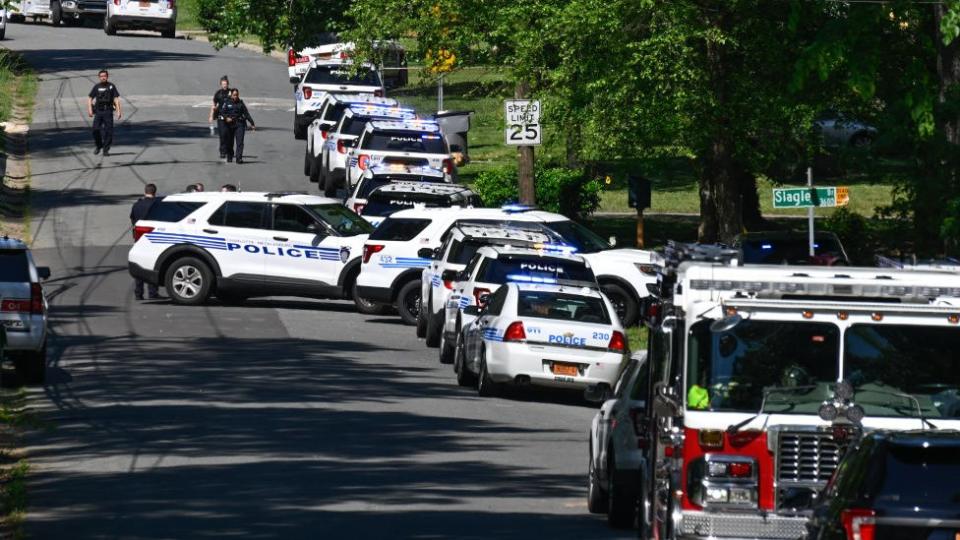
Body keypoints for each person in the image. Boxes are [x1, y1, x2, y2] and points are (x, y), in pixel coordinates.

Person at [130, 184, 160, 300]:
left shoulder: (137, 204)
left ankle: (138, 293)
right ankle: (152, 292)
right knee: (151, 265)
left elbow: (132, 219)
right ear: (155, 192)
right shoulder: (157, 204)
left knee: (139, 264)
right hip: (153, 238)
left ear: (145, 191)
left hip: (138, 238)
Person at [88, 69, 121, 156]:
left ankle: (106, 149)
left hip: (108, 111)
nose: (103, 78)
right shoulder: (97, 87)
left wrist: (118, 111)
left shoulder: (111, 86)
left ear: (107, 76)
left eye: (105, 76)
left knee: (109, 131)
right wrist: (90, 110)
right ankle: (99, 146)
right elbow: (90, 98)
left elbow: (116, 99)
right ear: (99, 77)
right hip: (98, 111)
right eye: (101, 76)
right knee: (95, 130)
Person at [218, 88, 256, 163]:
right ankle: (230, 155)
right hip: (229, 124)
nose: (236, 96)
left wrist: (252, 123)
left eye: (237, 95)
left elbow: (246, 113)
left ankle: (239, 158)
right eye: (234, 95)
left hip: (239, 124)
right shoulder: (227, 102)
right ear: (231, 95)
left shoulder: (241, 103)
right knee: (229, 142)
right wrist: (226, 118)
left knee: (240, 142)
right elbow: (222, 111)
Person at [208, 75, 232, 159]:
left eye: (225, 84)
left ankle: (229, 150)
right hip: (220, 117)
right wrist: (211, 115)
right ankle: (222, 151)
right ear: (220, 84)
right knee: (222, 134)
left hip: (229, 118)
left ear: (228, 84)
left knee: (228, 135)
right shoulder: (218, 93)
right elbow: (214, 105)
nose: (224, 85)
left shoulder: (232, 93)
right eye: (223, 84)